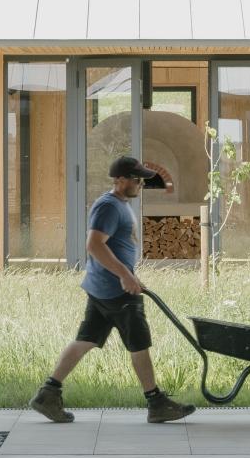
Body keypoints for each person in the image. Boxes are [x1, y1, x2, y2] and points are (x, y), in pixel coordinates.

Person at [28, 154, 196, 424]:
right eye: (135, 179)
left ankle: (48, 392)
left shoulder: (119, 204)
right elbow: (94, 245)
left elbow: (114, 246)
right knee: (139, 343)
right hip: (115, 290)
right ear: (119, 180)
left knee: (86, 339)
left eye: (142, 179)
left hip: (103, 287)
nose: (140, 183)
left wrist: (130, 274)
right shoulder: (108, 206)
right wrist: (125, 276)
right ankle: (156, 403)